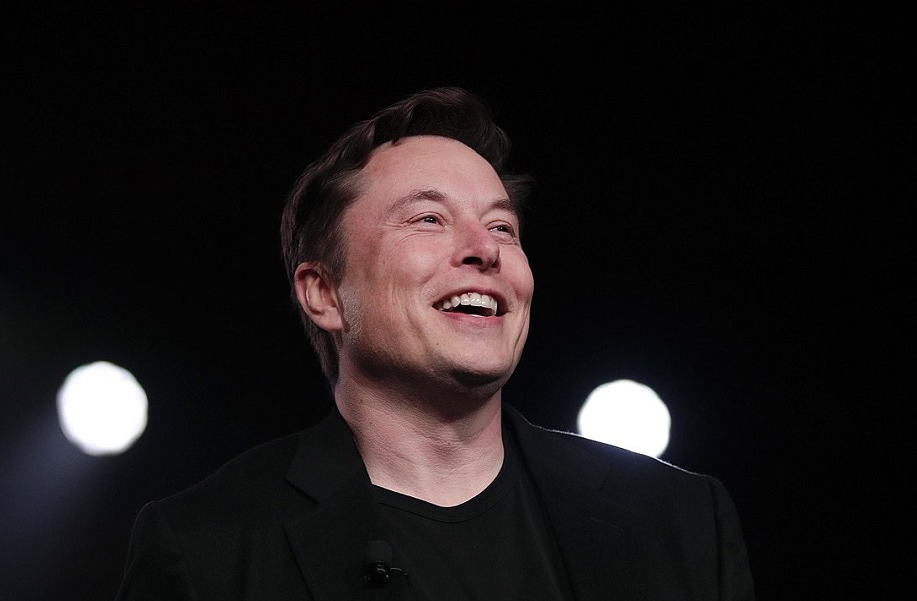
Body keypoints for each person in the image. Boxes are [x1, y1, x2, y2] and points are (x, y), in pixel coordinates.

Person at [115, 86, 756, 600]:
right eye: (429, 219)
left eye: (502, 227)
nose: (484, 250)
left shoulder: (680, 521)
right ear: (325, 294)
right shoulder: (206, 550)